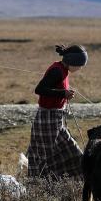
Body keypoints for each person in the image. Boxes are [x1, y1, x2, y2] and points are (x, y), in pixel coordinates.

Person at [27, 44, 88, 179]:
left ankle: (76, 184)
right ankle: (37, 186)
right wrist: (63, 94)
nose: (80, 68)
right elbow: (40, 89)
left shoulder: (63, 70)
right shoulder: (56, 71)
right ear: (72, 61)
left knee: (72, 152)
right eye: (80, 65)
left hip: (57, 121)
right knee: (43, 155)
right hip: (46, 119)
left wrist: (64, 94)